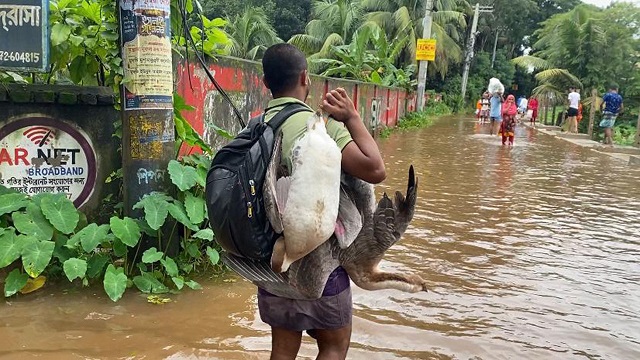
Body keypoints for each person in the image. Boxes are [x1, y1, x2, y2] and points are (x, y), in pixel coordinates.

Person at [258, 43, 386, 360]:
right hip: (321, 266)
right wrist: (353, 117)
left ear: (265, 83)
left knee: (283, 350)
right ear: (306, 77)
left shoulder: (256, 126)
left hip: (270, 264)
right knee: (334, 344)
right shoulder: (319, 128)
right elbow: (375, 169)